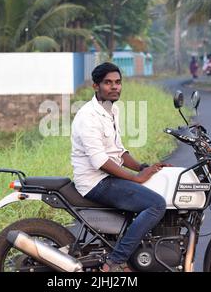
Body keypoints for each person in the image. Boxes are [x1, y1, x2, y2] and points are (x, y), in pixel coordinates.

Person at [71, 62, 169, 272]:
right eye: (108, 83)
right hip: (96, 182)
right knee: (156, 204)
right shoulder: (88, 117)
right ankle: (115, 262)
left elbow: (119, 152)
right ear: (96, 86)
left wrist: (144, 167)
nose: (114, 87)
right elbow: (100, 161)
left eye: (118, 82)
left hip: (107, 178)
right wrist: (134, 178)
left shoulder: (111, 109)